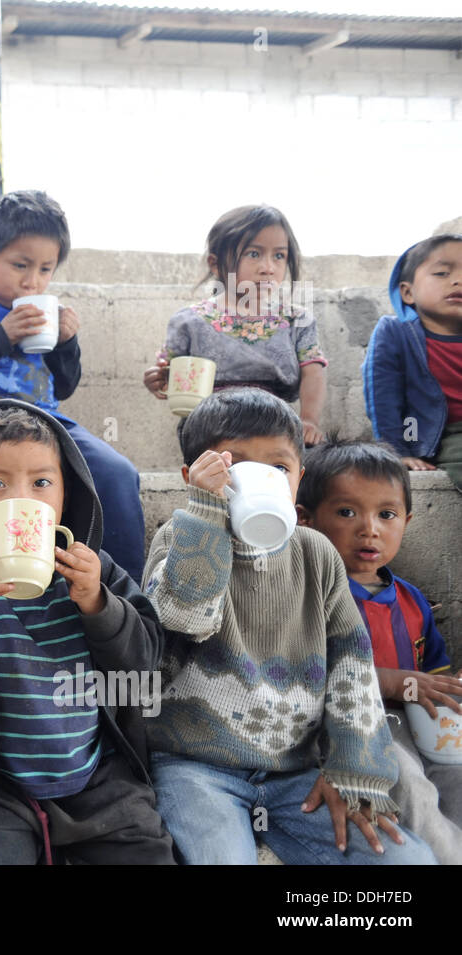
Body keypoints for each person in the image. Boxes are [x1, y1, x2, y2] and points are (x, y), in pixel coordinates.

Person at [143, 388, 435, 864]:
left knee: (406, 861)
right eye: (231, 466)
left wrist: (352, 769)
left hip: (293, 773)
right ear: (192, 477)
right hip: (194, 767)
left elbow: (352, 663)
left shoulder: (316, 554)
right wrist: (205, 514)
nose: (260, 479)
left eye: (279, 468)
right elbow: (182, 618)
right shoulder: (182, 536)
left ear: (299, 477)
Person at [0, 399, 173, 864]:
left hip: (98, 779)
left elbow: (144, 665)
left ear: (65, 494)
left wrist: (98, 603)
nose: (21, 501)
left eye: (41, 483)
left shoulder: (92, 569)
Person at [0, 191, 147, 581]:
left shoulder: (46, 311)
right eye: (20, 265)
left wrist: (66, 342)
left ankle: (122, 588)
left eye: (45, 270)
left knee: (117, 472)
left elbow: (65, 386)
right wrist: (0, 336)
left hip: (47, 424)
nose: (33, 281)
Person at [297, 439, 462, 863]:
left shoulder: (410, 599)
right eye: (347, 512)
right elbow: (307, 673)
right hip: (356, 730)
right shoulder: (308, 594)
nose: (369, 528)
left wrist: (451, 687)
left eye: (386, 514)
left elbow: (434, 673)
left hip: (420, 726)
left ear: (406, 521)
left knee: (453, 775)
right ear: (308, 520)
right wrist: (393, 682)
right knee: (409, 782)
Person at [143, 204, 327, 445]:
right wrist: (158, 379)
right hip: (211, 427)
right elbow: (170, 372)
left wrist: (309, 420)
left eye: (279, 256)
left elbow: (313, 369)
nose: (268, 268)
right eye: (253, 254)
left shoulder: (297, 320)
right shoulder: (189, 321)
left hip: (276, 425)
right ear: (216, 264)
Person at [363, 233, 462, 485]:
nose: (458, 281)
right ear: (407, 292)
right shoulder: (396, 332)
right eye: (442, 273)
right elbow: (384, 398)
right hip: (432, 434)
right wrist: (398, 450)